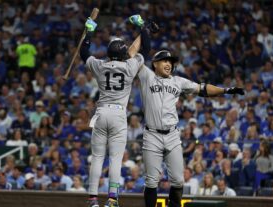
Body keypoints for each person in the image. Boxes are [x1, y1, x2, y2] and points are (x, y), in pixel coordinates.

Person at [131, 39, 243, 207]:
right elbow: (131, 54)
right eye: (165, 61)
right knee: (151, 181)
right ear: (155, 64)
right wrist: (143, 33)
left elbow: (202, 88)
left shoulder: (178, 81)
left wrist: (225, 90)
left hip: (172, 135)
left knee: (178, 180)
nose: (169, 64)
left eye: (171, 61)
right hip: (152, 134)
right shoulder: (147, 76)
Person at [79, 14, 150, 207]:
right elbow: (146, 48)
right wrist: (143, 27)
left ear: (109, 53)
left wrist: (89, 32)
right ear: (125, 53)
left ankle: (93, 199)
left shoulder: (100, 66)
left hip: (101, 113)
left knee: (97, 158)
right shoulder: (129, 66)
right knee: (115, 158)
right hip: (119, 114)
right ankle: (112, 199)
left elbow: (84, 53)